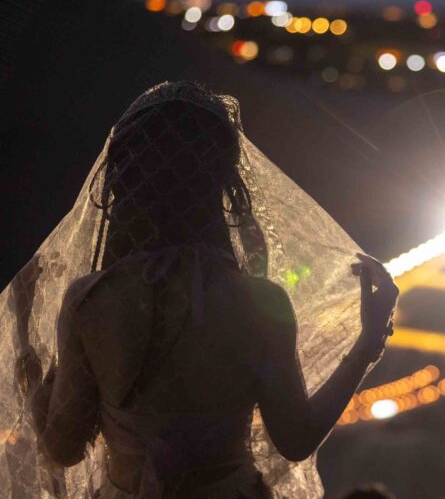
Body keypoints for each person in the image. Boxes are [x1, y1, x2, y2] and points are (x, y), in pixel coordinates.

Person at [10, 81, 398, 498]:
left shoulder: (92, 300)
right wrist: (366, 345)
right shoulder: (258, 301)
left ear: (122, 182)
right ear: (225, 186)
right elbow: (296, 439)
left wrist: (29, 350)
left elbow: (62, 448)